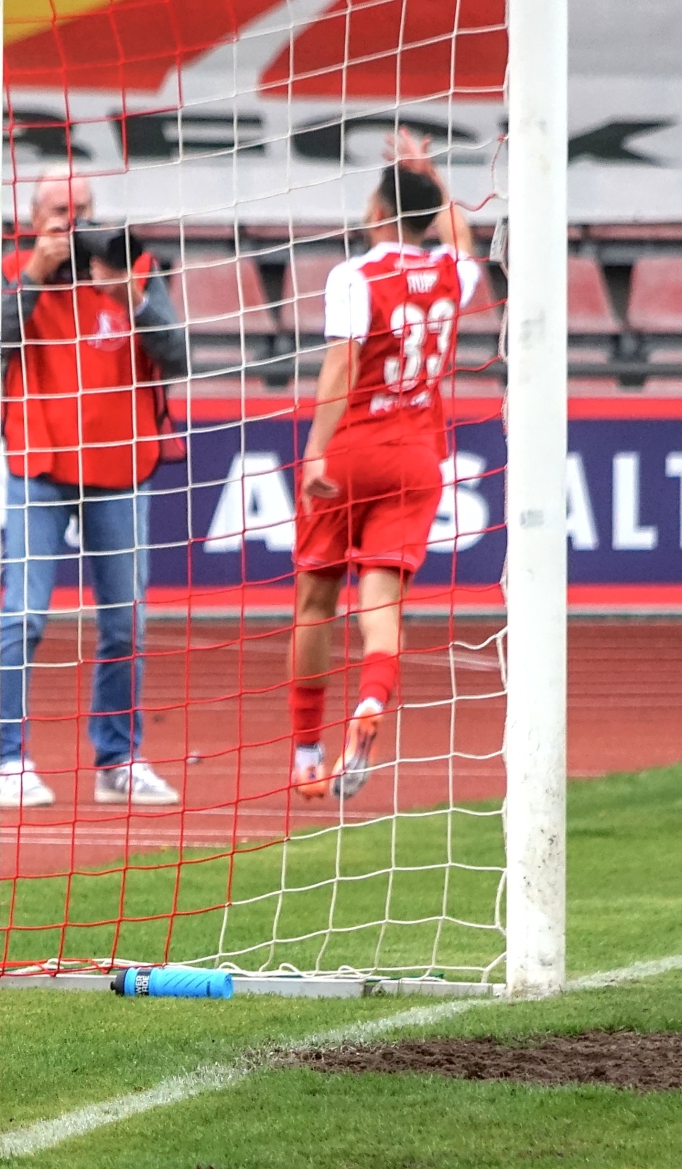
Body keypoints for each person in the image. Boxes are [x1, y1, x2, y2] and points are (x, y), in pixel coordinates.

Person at [289, 131, 480, 799]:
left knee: (315, 600)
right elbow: (460, 234)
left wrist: (316, 447)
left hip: (353, 450)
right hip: (419, 455)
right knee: (383, 604)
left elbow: (341, 367)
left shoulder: (355, 275)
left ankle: (307, 755)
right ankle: (370, 703)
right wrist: (428, 174)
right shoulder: (458, 272)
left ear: (376, 208)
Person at [0, 167, 190, 809]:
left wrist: (130, 295)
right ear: (33, 216)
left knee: (126, 622)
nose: (71, 221)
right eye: (58, 209)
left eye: (80, 208)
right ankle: (5, 759)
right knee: (23, 615)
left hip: (120, 464)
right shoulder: (9, 271)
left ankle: (120, 759)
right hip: (40, 459)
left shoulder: (130, 268)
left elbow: (178, 355)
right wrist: (30, 280)